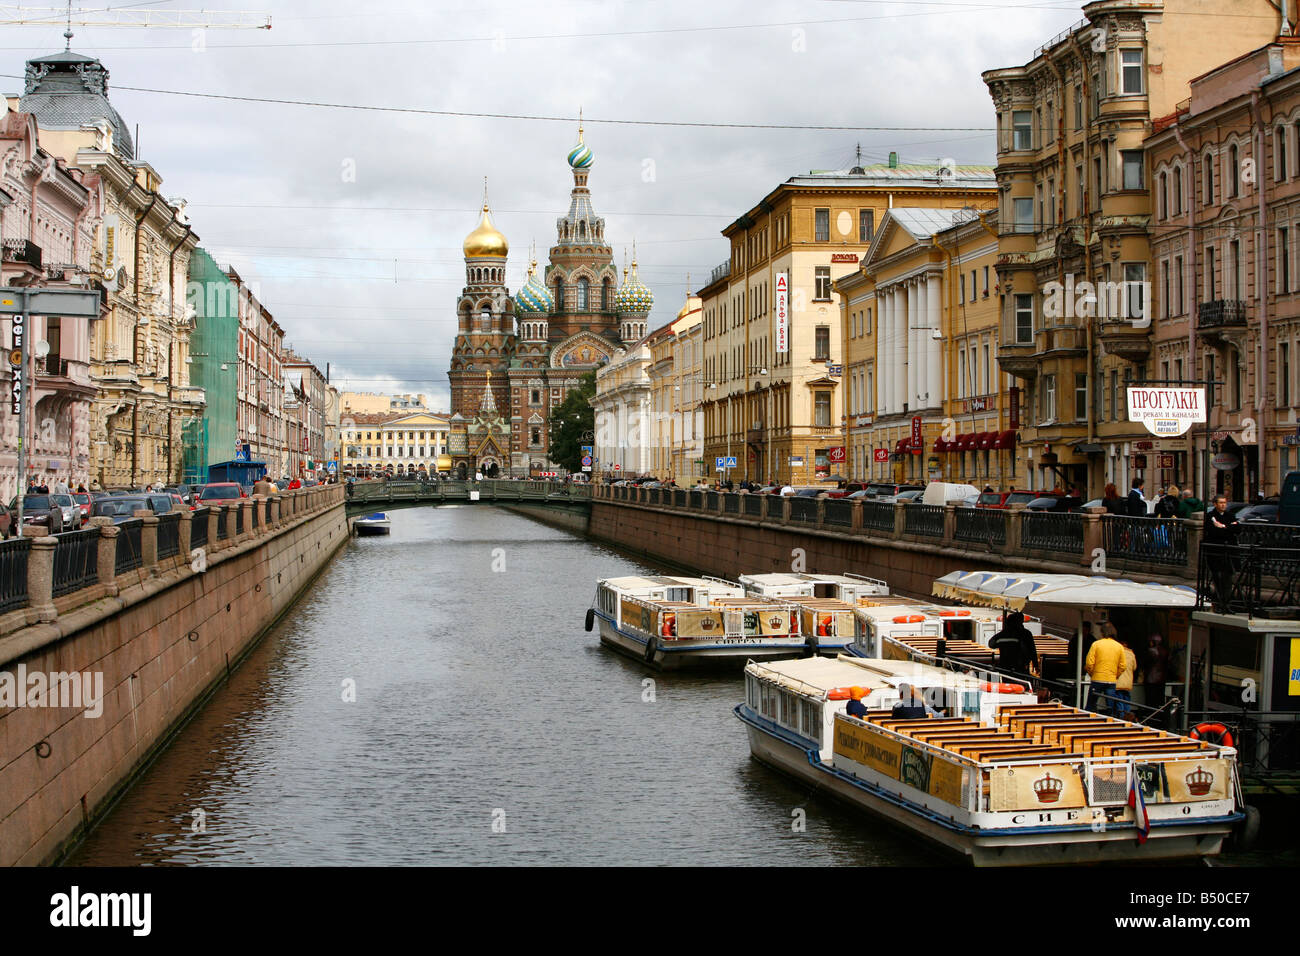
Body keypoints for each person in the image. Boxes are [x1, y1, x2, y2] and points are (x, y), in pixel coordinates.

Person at [1085, 624, 1129, 715]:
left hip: (1097, 678)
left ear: (1102, 633)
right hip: (1111, 680)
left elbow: (1089, 663)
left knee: (1090, 705)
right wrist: (1115, 675)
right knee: (1110, 707)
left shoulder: (1096, 644)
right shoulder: (1119, 647)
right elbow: (1123, 666)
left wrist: (1092, 673)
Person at [990, 610, 1038, 677]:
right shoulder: (1026, 633)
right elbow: (1032, 650)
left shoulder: (1004, 634)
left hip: (1005, 666)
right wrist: (1035, 664)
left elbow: (991, 644)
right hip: (1020, 667)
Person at [1143, 633, 1169, 711]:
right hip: (1161, 679)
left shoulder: (1150, 651)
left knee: (1150, 700)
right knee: (1159, 699)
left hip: (1151, 678)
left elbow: (1145, 663)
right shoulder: (1164, 651)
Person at [1114, 638, 1138, 720]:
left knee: (1119, 699)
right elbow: (1134, 667)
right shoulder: (1132, 654)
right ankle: (1128, 716)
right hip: (1128, 681)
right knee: (1127, 699)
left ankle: (1121, 717)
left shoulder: (1118, 652)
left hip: (1119, 680)